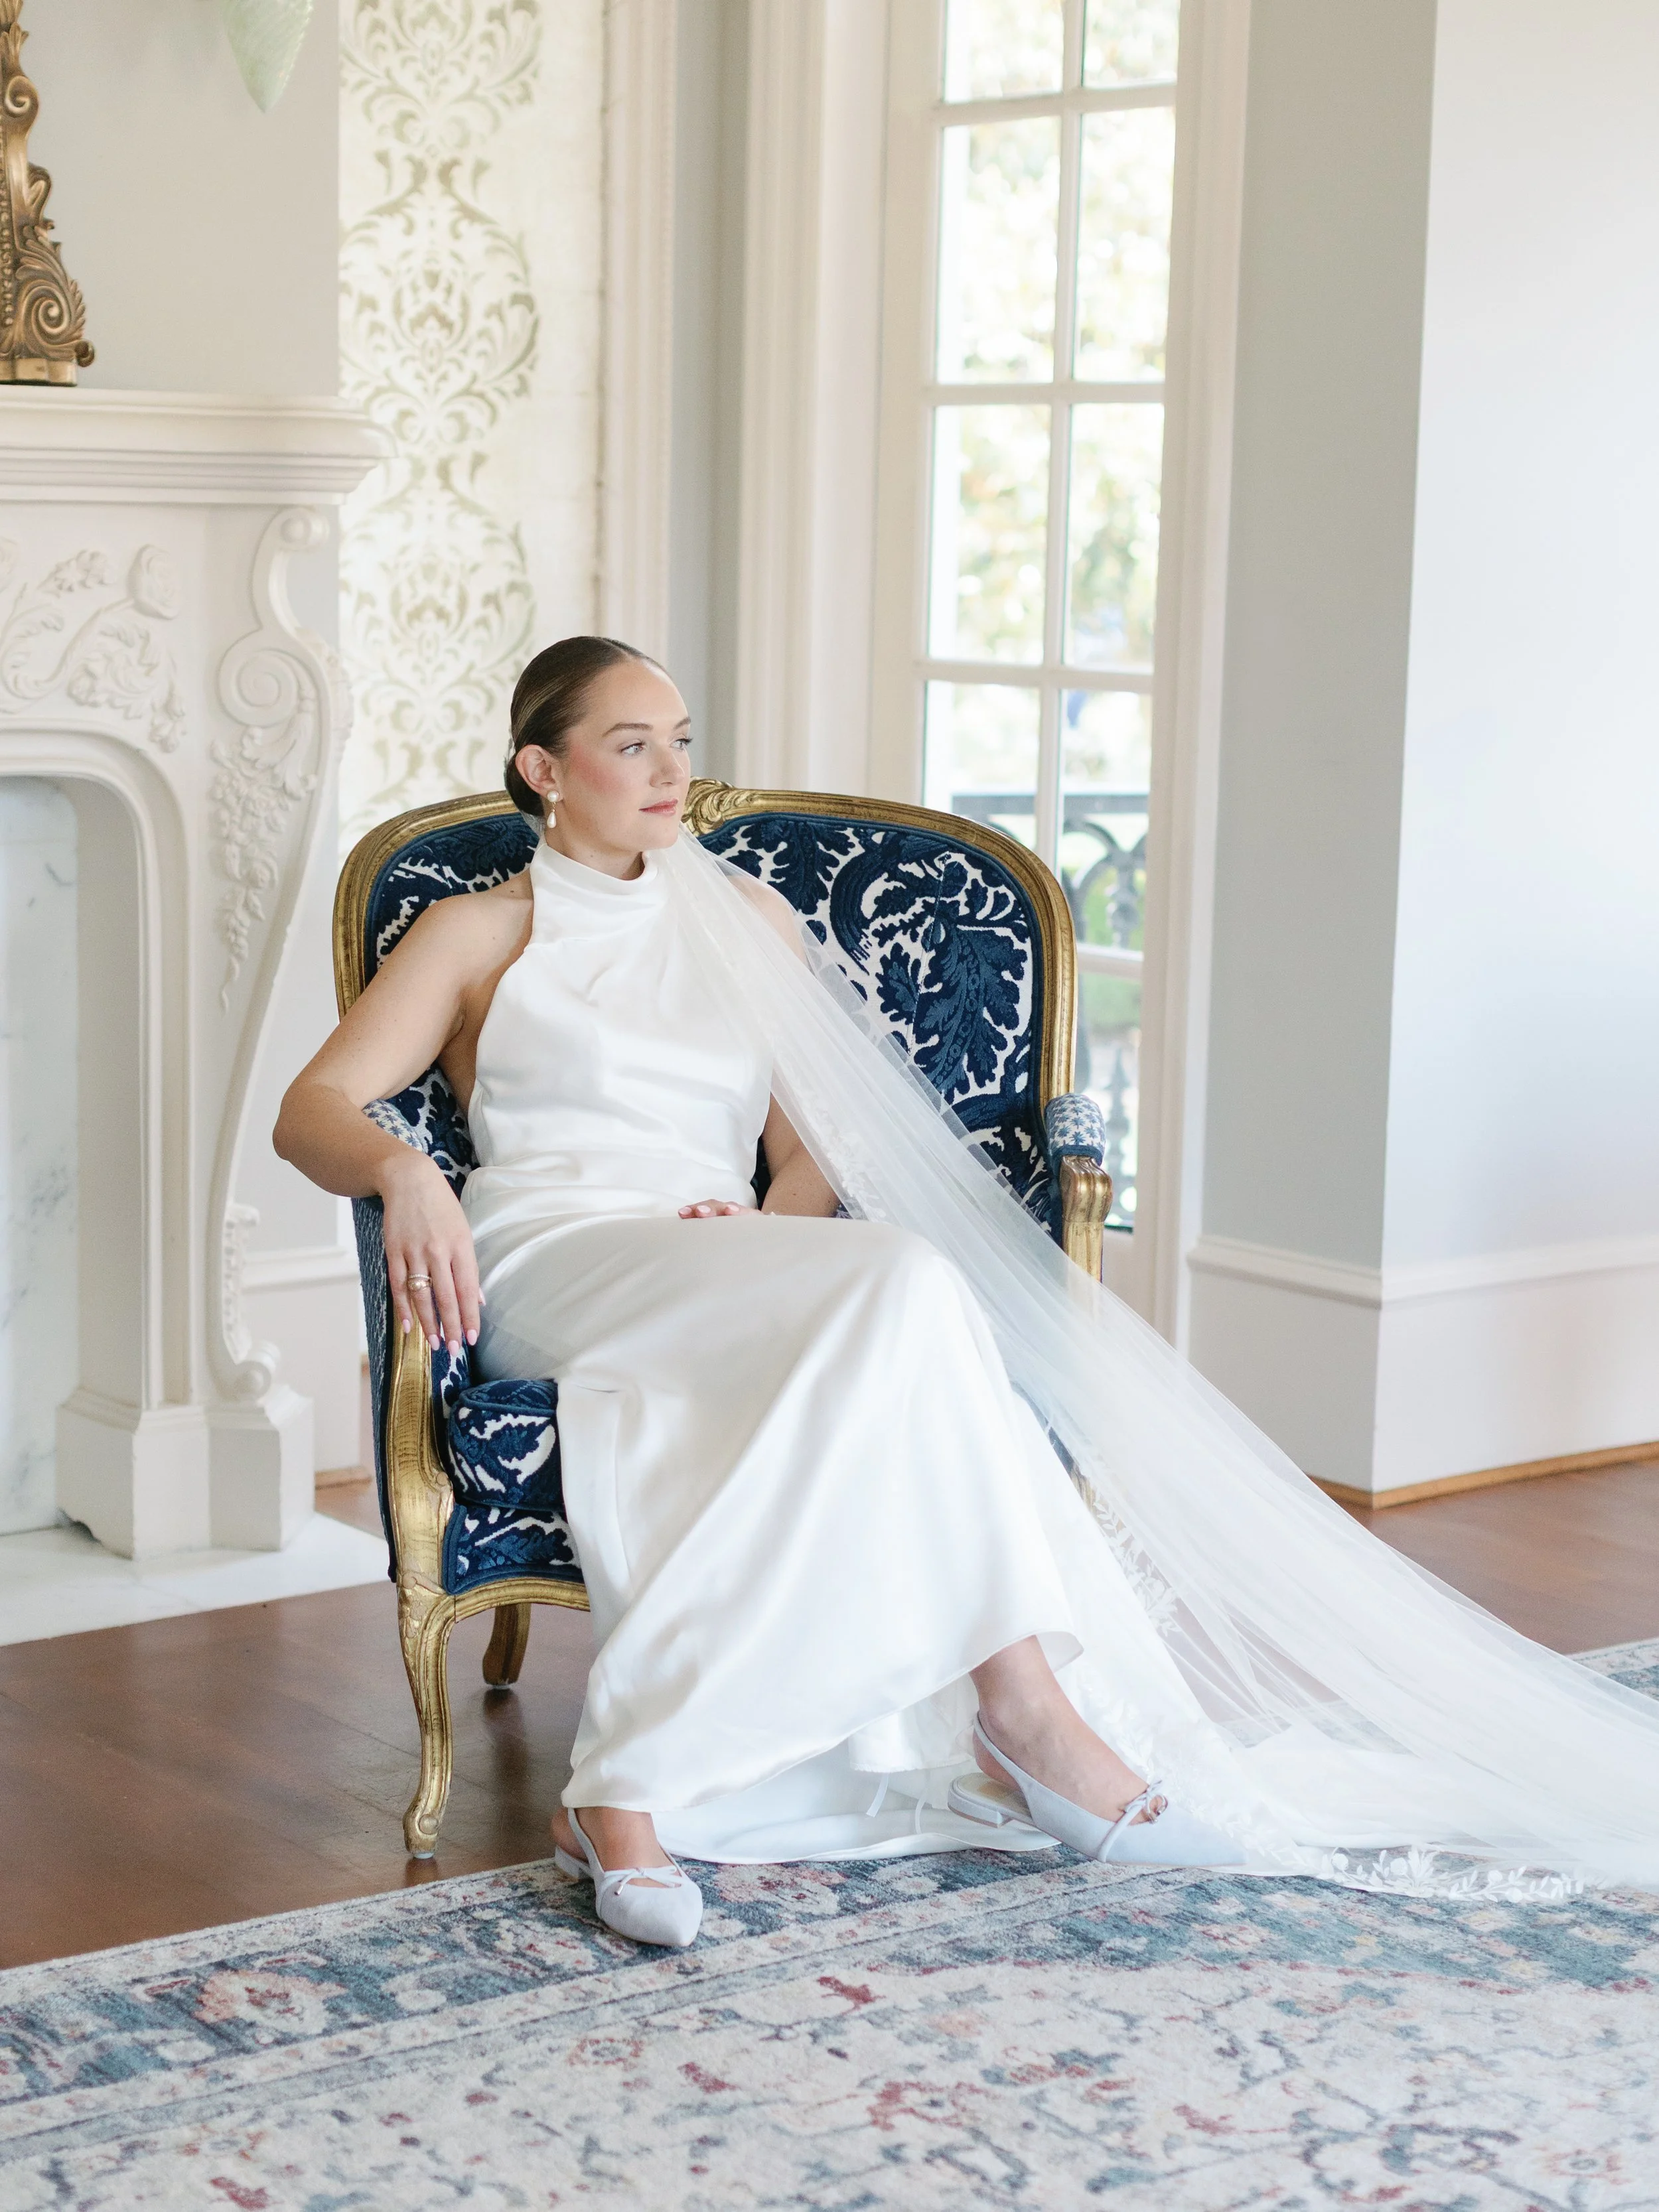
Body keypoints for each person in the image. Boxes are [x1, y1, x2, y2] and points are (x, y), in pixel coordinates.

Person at [277, 636, 1659, 1949]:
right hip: (559, 1252)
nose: (666, 771)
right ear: (542, 768)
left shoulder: (740, 913)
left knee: (898, 1297)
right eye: (628, 743)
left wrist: (764, 1219)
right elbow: (314, 1107)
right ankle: (1022, 1720)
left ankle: (668, 1778)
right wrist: (409, 1174)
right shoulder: (476, 925)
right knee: (911, 1289)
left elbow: (827, 1140)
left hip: (723, 1254)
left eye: (678, 741)